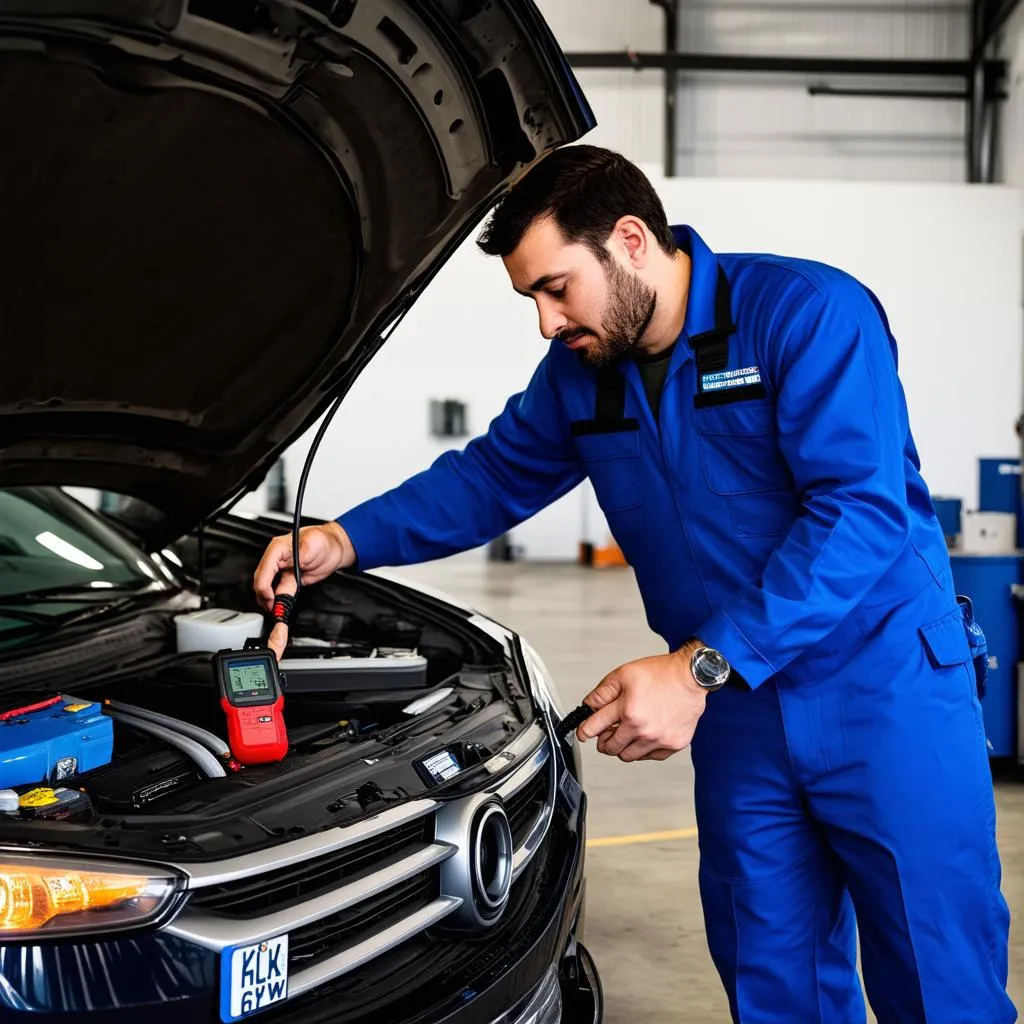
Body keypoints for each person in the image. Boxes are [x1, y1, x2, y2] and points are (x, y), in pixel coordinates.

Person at [253, 145, 1015, 1023]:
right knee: (773, 976)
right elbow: (493, 477)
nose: (545, 322)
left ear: (629, 239)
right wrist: (345, 540)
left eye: (556, 288)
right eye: (531, 298)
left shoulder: (805, 315)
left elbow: (860, 516)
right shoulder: (583, 372)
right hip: (739, 711)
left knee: (937, 975)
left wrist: (696, 667)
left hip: (884, 691)